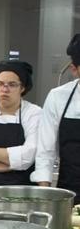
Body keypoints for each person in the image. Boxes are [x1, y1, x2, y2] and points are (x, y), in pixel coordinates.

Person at [32, 34, 80, 203]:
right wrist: (45, 195)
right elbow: (46, 151)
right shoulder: (58, 97)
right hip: (70, 191)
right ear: (74, 69)